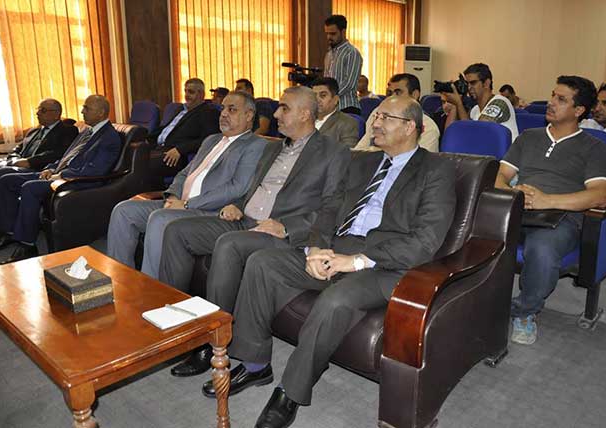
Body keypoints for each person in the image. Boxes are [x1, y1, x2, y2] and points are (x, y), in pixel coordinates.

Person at [209, 96, 456, 428]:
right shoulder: (364, 162)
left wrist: (356, 261)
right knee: (263, 262)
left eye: (385, 117)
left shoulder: (436, 170)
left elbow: (426, 241)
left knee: (335, 300)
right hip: (336, 249)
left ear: (410, 126)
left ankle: (290, 392)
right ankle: (255, 365)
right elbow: (330, 208)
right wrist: (316, 248)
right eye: (376, 116)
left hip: (384, 264)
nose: (375, 123)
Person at [156, 86, 351, 377]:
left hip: (278, 231)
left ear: (305, 114)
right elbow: (251, 189)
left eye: (284, 108)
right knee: (176, 230)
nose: (276, 114)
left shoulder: (333, 152)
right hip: (244, 220)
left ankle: (213, 342)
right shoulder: (273, 147)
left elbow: (333, 205)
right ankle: (178, 325)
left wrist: (286, 226)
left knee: (229, 244)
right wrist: (237, 204)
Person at [495, 76, 606, 345]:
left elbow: (600, 196)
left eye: (561, 99)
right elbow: (500, 175)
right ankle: (473, 300)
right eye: (552, 95)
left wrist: (547, 200)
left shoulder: (594, 147)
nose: (551, 102)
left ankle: (524, 311)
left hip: (560, 219)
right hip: (517, 209)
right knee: (469, 229)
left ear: (579, 110)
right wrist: (513, 192)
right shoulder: (528, 137)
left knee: (542, 249)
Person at [106, 91, 266, 279]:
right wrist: (173, 196)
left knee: (160, 219)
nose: (223, 114)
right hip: (180, 203)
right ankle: (119, 280)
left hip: (208, 210)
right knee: (123, 210)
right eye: (223, 108)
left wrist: (188, 204)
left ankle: (150, 288)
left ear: (248, 115)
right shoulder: (211, 140)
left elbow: (237, 187)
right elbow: (185, 173)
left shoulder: (254, 145)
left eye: (232, 110)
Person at [0, 95, 120, 263]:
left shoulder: (109, 137)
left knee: (30, 187)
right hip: (59, 173)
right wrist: (51, 168)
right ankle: (10, 231)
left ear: (101, 113)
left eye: (87, 108)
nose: (82, 111)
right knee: (6, 180)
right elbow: (67, 157)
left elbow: (94, 170)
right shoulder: (87, 131)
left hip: (79, 181)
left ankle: (27, 245)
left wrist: (61, 175)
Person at [147, 78, 220, 188]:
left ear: (201, 94)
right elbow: (165, 129)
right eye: (185, 91)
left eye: (191, 92)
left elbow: (209, 139)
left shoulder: (208, 112)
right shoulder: (180, 110)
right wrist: (145, 139)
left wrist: (180, 149)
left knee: (141, 165)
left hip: (177, 155)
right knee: (132, 157)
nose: (186, 95)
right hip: (159, 149)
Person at [354, 73, 439, 152]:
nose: (392, 98)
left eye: (398, 93)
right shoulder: (377, 114)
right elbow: (361, 148)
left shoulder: (428, 127)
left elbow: (419, 161)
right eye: (389, 93)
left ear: (414, 95)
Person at [0, 99, 77, 176]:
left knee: (3, 172)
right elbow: (18, 148)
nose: (38, 113)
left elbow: (59, 153)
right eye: (38, 109)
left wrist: (29, 162)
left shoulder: (67, 130)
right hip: (18, 165)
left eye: (43, 110)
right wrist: (14, 159)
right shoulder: (33, 131)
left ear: (56, 114)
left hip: (39, 169)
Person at [443, 63, 519, 141]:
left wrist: (459, 103)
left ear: (486, 83)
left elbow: (478, 132)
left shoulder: (500, 102)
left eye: (473, 83)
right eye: (467, 84)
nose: (469, 88)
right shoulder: (475, 110)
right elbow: (452, 135)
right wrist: (454, 105)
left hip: (507, 149)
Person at [323, 14, 363, 115]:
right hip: (331, 108)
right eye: (327, 34)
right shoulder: (329, 54)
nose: (329, 37)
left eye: (333, 34)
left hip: (347, 107)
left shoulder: (351, 53)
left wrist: (329, 95)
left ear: (343, 32)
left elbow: (349, 83)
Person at [310, 77, 359, 147]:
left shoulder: (348, 123)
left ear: (335, 99)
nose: (317, 99)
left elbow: (347, 151)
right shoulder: (304, 120)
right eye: (314, 96)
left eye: (323, 95)